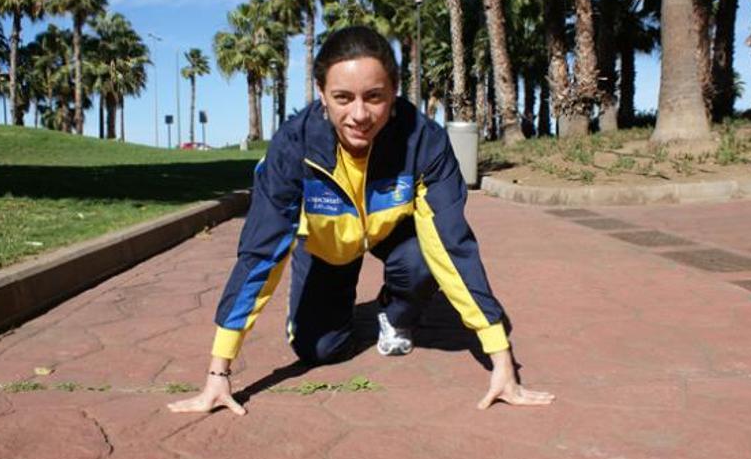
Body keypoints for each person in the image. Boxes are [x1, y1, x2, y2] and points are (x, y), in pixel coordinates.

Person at [168, 26, 554, 415]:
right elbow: (261, 251)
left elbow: (452, 243)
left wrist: (501, 361)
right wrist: (219, 371)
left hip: (394, 233)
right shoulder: (293, 146)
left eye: (374, 97)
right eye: (342, 98)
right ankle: (328, 304)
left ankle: (395, 310)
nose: (359, 115)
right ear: (322, 95)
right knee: (319, 350)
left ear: (394, 92)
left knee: (424, 259)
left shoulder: (424, 141)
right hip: (327, 246)